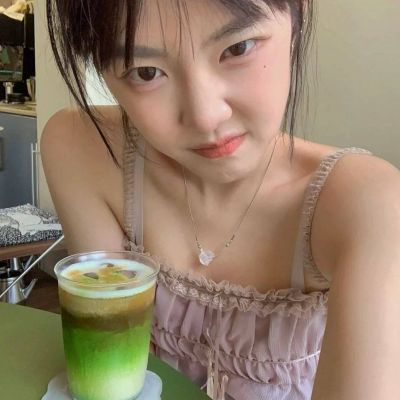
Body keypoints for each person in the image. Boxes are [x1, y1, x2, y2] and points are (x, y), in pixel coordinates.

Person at [41, 1, 400, 399]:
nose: (205, 116)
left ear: (296, 15)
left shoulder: (366, 204)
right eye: (145, 72)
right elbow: (107, 364)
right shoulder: (85, 151)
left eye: (238, 48)